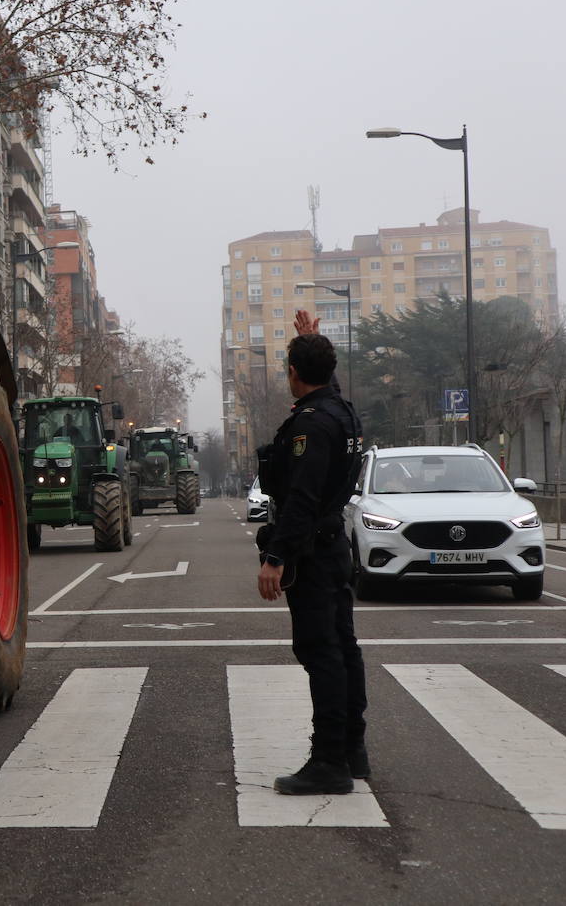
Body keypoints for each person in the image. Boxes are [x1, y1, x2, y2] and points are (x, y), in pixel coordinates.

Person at [257, 309, 365, 796]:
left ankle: (329, 763)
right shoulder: (340, 410)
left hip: (314, 553)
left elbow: (300, 499)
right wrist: (311, 340)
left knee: (322, 653)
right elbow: (330, 387)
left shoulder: (312, 424)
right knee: (342, 648)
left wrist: (275, 558)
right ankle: (352, 751)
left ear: (293, 374)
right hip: (333, 546)